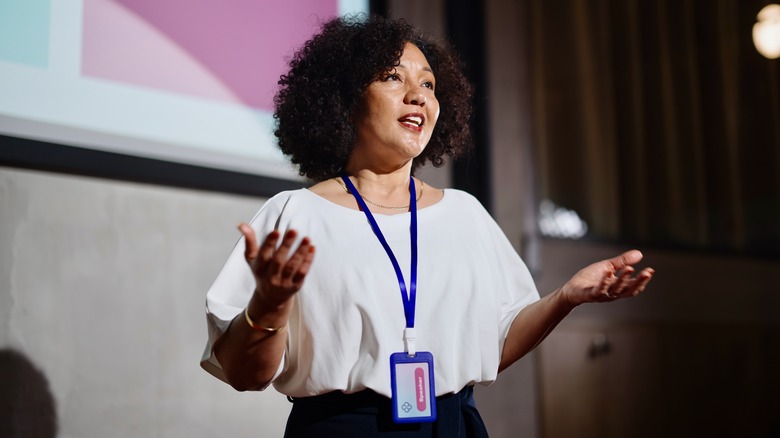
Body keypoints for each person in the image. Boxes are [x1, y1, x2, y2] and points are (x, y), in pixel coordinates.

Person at [200, 15, 654, 437]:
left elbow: (493, 345)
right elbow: (245, 375)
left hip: (455, 424)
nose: (418, 95)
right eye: (393, 77)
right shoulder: (296, 214)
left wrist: (567, 297)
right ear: (345, 99)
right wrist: (270, 304)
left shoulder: (465, 213)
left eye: (429, 84)